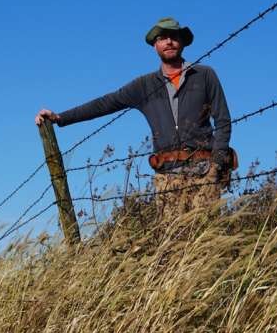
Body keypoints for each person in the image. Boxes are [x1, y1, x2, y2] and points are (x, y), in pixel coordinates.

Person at [35, 17, 235, 218]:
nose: (169, 42)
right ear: (155, 45)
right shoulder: (145, 85)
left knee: (207, 236)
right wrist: (61, 117)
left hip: (204, 172)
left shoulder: (204, 75)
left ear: (182, 41)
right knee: (173, 243)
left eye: (173, 37)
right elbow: (106, 103)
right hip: (167, 176)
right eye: (162, 38)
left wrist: (216, 167)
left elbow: (223, 120)